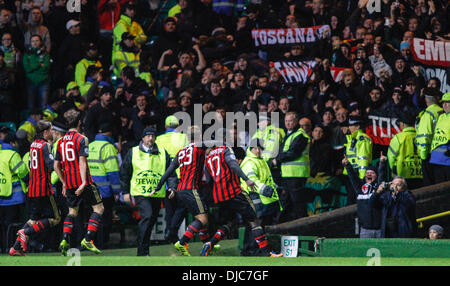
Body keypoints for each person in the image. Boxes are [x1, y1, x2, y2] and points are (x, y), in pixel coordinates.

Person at [201, 144, 282, 257]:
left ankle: (210, 243)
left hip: (220, 196)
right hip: (234, 193)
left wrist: (217, 191)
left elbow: (208, 179)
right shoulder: (226, 150)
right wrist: (246, 179)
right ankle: (267, 253)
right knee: (254, 221)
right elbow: (233, 165)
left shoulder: (208, 157)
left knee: (230, 223)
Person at [154, 126, 213, 255]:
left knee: (200, 217)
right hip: (192, 189)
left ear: (187, 137)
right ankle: (182, 242)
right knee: (203, 219)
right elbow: (214, 143)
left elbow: (168, 172)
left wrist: (158, 186)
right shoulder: (199, 147)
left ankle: (207, 246)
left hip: (181, 190)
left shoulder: (181, 152)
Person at [54, 109, 104, 255]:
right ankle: (88, 239)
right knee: (98, 209)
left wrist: (63, 182)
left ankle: (64, 239)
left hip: (68, 182)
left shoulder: (60, 142)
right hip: (83, 181)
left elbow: (56, 166)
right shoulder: (82, 139)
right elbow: (82, 162)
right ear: (79, 122)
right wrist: (83, 182)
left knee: (72, 212)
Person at [120, 127, 176, 256]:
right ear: (142, 138)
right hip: (140, 192)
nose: (150, 138)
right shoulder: (133, 152)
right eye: (148, 136)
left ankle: (142, 248)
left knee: (151, 221)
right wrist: (125, 192)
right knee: (148, 216)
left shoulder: (163, 152)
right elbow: (124, 173)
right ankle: (142, 251)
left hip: (157, 193)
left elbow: (171, 173)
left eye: (152, 136)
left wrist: (172, 187)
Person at [9, 120, 61, 256]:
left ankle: (15, 247)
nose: (52, 132)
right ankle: (25, 232)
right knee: (55, 218)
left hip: (32, 188)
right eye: (50, 130)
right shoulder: (45, 146)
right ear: (45, 132)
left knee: (33, 219)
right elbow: (51, 166)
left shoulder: (33, 145)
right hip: (43, 189)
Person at [240, 139, 282, 256]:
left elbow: (266, 179)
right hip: (255, 196)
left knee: (256, 225)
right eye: (255, 148)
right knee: (255, 225)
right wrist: (264, 189)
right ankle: (252, 250)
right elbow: (252, 181)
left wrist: (276, 187)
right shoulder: (249, 162)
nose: (258, 151)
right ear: (250, 149)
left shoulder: (260, 160)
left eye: (260, 148)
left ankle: (250, 250)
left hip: (262, 198)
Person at [155, 115, 188, 242]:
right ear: (178, 126)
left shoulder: (158, 139)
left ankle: (170, 234)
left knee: (169, 208)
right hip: (182, 177)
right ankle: (172, 231)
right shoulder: (184, 137)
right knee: (183, 206)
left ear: (165, 126)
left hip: (166, 178)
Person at [87, 122, 121, 248]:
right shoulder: (108, 147)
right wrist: (117, 191)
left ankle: (91, 240)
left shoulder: (90, 145)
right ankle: (102, 243)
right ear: (110, 133)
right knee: (105, 218)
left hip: (89, 188)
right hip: (104, 190)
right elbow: (113, 173)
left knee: (92, 216)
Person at [273, 111, 310, 221]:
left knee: (298, 203)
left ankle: (305, 227)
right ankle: (279, 226)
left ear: (296, 122)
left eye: (290, 121)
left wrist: (277, 160)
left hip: (297, 175)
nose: (288, 123)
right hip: (288, 174)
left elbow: (293, 153)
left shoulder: (300, 135)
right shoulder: (289, 135)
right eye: (286, 121)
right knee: (286, 202)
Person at [342, 152, 387, 238]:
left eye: (372, 173)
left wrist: (382, 163)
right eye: (367, 173)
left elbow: (382, 176)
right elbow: (353, 177)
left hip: (380, 229)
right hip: (365, 229)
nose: (369, 174)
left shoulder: (378, 187)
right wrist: (347, 165)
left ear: (376, 176)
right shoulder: (360, 188)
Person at [0, 133, 29, 254]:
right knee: (13, 225)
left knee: (2, 225)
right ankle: (13, 247)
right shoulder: (13, 154)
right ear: (12, 143)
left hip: (1, 194)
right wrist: (28, 179)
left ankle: (2, 247)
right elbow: (22, 172)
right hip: (13, 197)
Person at [387, 112, 423, 190]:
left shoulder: (398, 137)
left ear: (402, 124)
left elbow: (391, 158)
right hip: (420, 173)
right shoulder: (419, 135)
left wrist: (394, 172)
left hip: (403, 174)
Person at [416, 88, 443, 186]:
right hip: (443, 154)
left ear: (426, 100)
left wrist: (423, 155)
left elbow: (424, 136)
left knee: (430, 186)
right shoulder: (444, 112)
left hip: (430, 155)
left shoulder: (427, 114)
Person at [343, 116, 373, 204]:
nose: (349, 127)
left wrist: (362, 177)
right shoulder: (353, 138)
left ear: (358, 126)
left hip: (358, 174)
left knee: (355, 200)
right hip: (351, 173)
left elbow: (363, 158)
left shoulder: (362, 139)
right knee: (351, 199)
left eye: (351, 125)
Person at [429, 92, 450, 184]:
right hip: (436, 159)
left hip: (447, 160)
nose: (444, 105)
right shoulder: (441, 117)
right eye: (443, 102)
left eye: (447, 102)